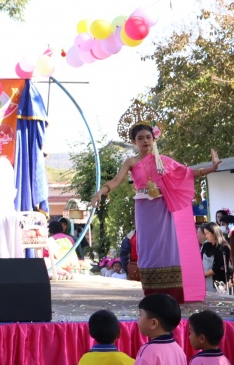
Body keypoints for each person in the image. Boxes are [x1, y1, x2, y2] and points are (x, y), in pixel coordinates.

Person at [90, 123, 220, 303]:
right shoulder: (131, 162)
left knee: (168, 247)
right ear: (134, 141)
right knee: (148, 249)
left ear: (153, 139)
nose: (145, 141)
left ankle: (173, 293)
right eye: (140, 138)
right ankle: (152, 293)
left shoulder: (163, 160)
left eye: (148, 137)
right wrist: (100, 192)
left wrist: (211, 169)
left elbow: (187, 173)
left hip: (163, 208)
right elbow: (115, 181)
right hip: (144, 210)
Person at [133, 293, 187, 365]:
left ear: (153, 323)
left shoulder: (148, 351)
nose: (138, 318)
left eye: (140, 314)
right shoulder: (179, 350)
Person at [200, 223, 231, 293]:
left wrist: (203, 274)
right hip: (205, 281)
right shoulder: (206, 245)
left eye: (207, 233)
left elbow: (218, 268)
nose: (206, 236)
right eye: (205, 234)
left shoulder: (223, 248)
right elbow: (200, 260)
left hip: (219, 285)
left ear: (214, 233)